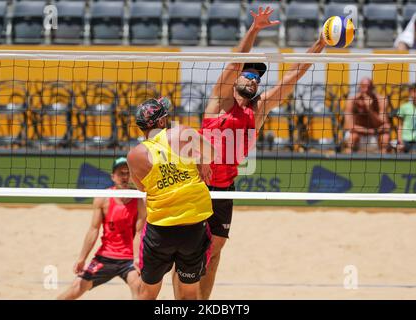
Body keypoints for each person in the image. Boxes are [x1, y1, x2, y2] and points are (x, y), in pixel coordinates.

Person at [199, 6, 327, 300]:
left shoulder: (258, 110)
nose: (254, 78)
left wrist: (319, 45)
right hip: (198, 185)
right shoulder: (219, 101)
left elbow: (293, 77)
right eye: (249, 73)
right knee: (194, 254)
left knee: (214, 253)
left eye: (258, 76)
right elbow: (234, 64)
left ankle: (201, 302)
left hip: (224, 188)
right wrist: (254, 30)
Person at [127, 97, 216, 300]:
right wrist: (200, 160)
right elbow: (212, 153)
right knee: (189, 294)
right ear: (161, 122)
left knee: (147, 293)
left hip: (160, 231)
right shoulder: (183, 132)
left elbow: (142, 188)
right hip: (193, 227)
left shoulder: (134, 156)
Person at [57, 157, 146, 300]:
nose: (124, 177)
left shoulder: (138, 199)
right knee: (77, 286)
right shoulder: (103, 198)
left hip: (129, 259)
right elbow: (93, 230)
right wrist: (82, 258)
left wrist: (137, 258)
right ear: (112, 177)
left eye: (127, 173)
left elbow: (139, 232)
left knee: (139, 288)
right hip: (105, 257)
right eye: (120, 173)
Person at [343, 78, 391, 154]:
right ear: (359, 88)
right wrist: (369, 131)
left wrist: (370, 110)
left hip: (375, 135)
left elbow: (384, 125)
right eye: (363, 87)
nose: (366, 90)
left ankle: (383, 162)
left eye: (369, 87)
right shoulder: (352, 101)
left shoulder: (381, 100)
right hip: (359, 134)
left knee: (385, 137)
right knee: (352, 137)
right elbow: (349, 126)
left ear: (373, 88)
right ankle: (348, 161)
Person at [397, 83, 416, 154]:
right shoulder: (404, 107)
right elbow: (400, 126)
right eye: (413, 92)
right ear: (410, 94)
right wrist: (400, 140)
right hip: (405, 139)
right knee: (399, 149)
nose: (415, 95)